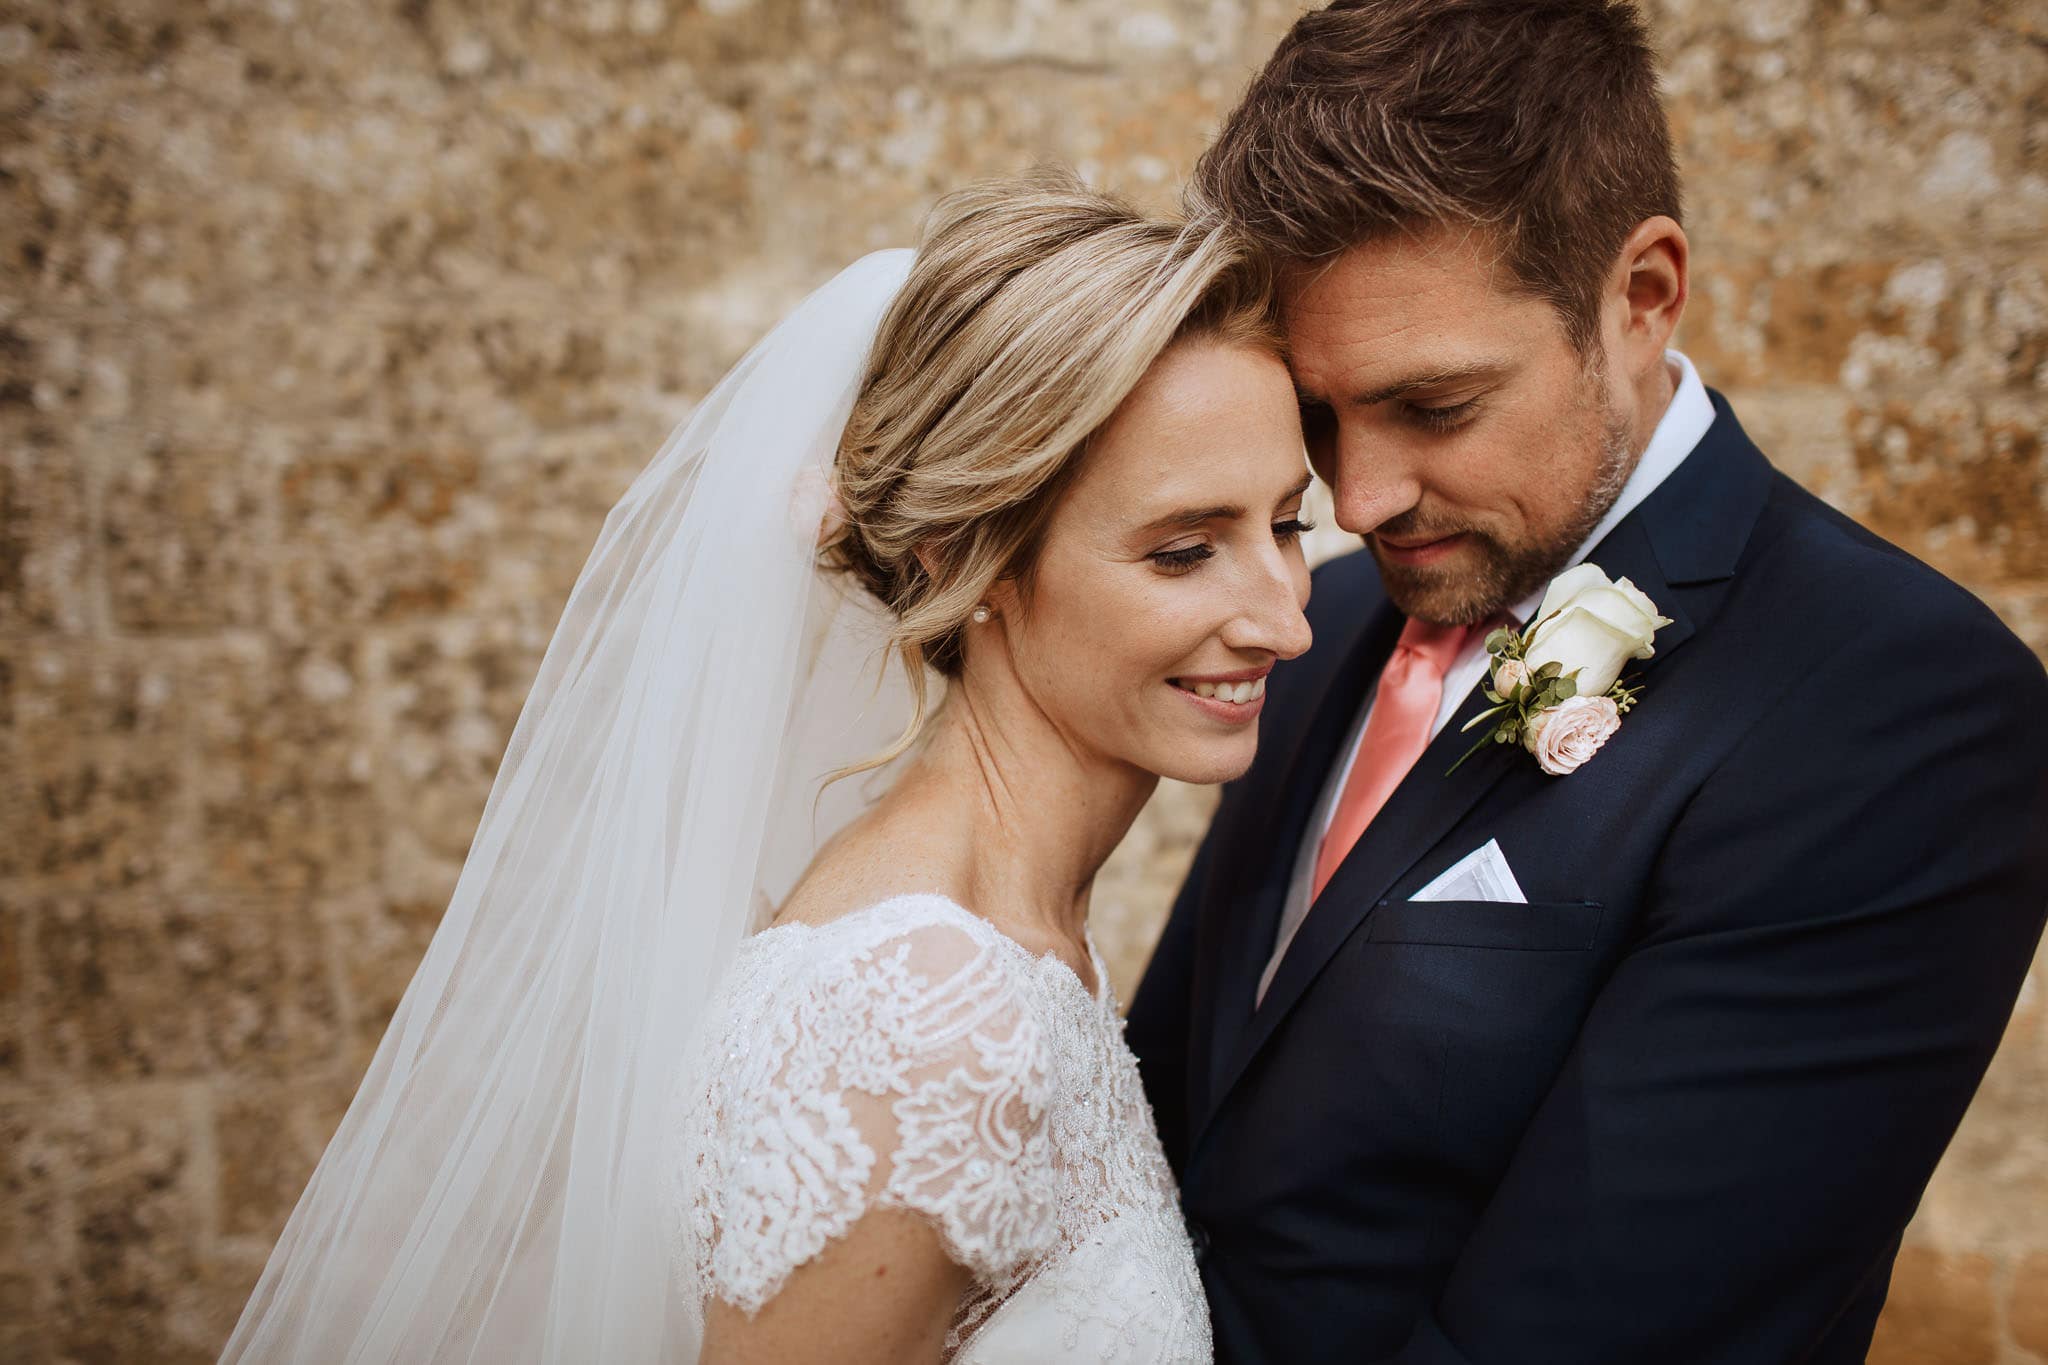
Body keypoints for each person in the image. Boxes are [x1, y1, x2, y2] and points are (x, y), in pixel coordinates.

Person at [223, 170, 1308, 1364]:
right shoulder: (923, 1026)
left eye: (1287, 526)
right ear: (973, 558)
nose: (1284, 618)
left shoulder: (1016, 933)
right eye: (1185, 551)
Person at [1126, 3, 2048, 1363]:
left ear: (1643, 295)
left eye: (1435, 406)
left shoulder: (1897, 709)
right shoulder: (1320, 622)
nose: (1359, 496)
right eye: (1322, 415)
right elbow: (1173, 1122)